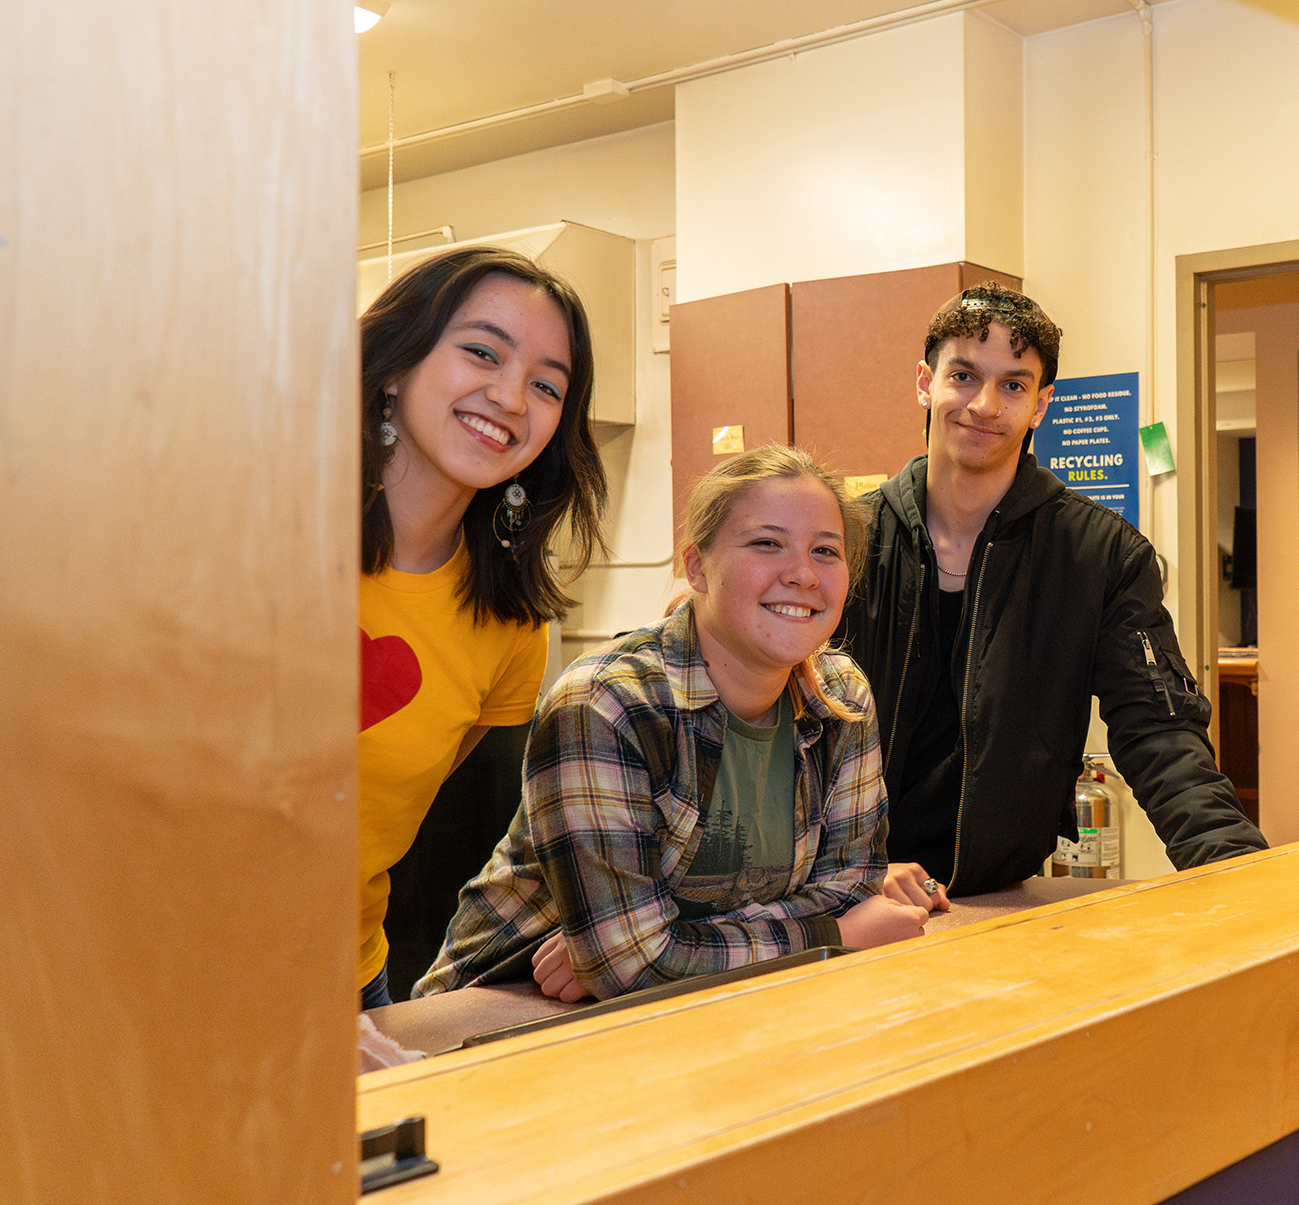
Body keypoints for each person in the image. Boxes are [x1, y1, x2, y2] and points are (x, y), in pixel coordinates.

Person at [416, 445, 926, 1004]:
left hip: (715, 1005)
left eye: (825, 551)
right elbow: (630, 967)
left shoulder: (839, 696)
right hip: (499, 1014)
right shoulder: (607, 704)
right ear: (697, 567)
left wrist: (664, 948)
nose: (803, 574)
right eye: (766, 543)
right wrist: (837, 936)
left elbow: (850, 888)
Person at [838, 282, 1268, 911]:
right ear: (926, 382)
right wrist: (844, 874)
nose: (984, 404)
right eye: (964, 375)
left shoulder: (1100, 556)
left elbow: (1160, 732)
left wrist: (1245, 879)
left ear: (1041, 404)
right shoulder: (843, 543)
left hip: (1000, 901)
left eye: (1013, 385)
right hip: (845, 898)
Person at [356, 246, 607, 1009]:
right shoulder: (244, 525)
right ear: (394, 366)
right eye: (480, 352)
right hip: (150, 954)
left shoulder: (510, 630)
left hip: (345, 979)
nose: (509, 396)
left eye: (545, 385)